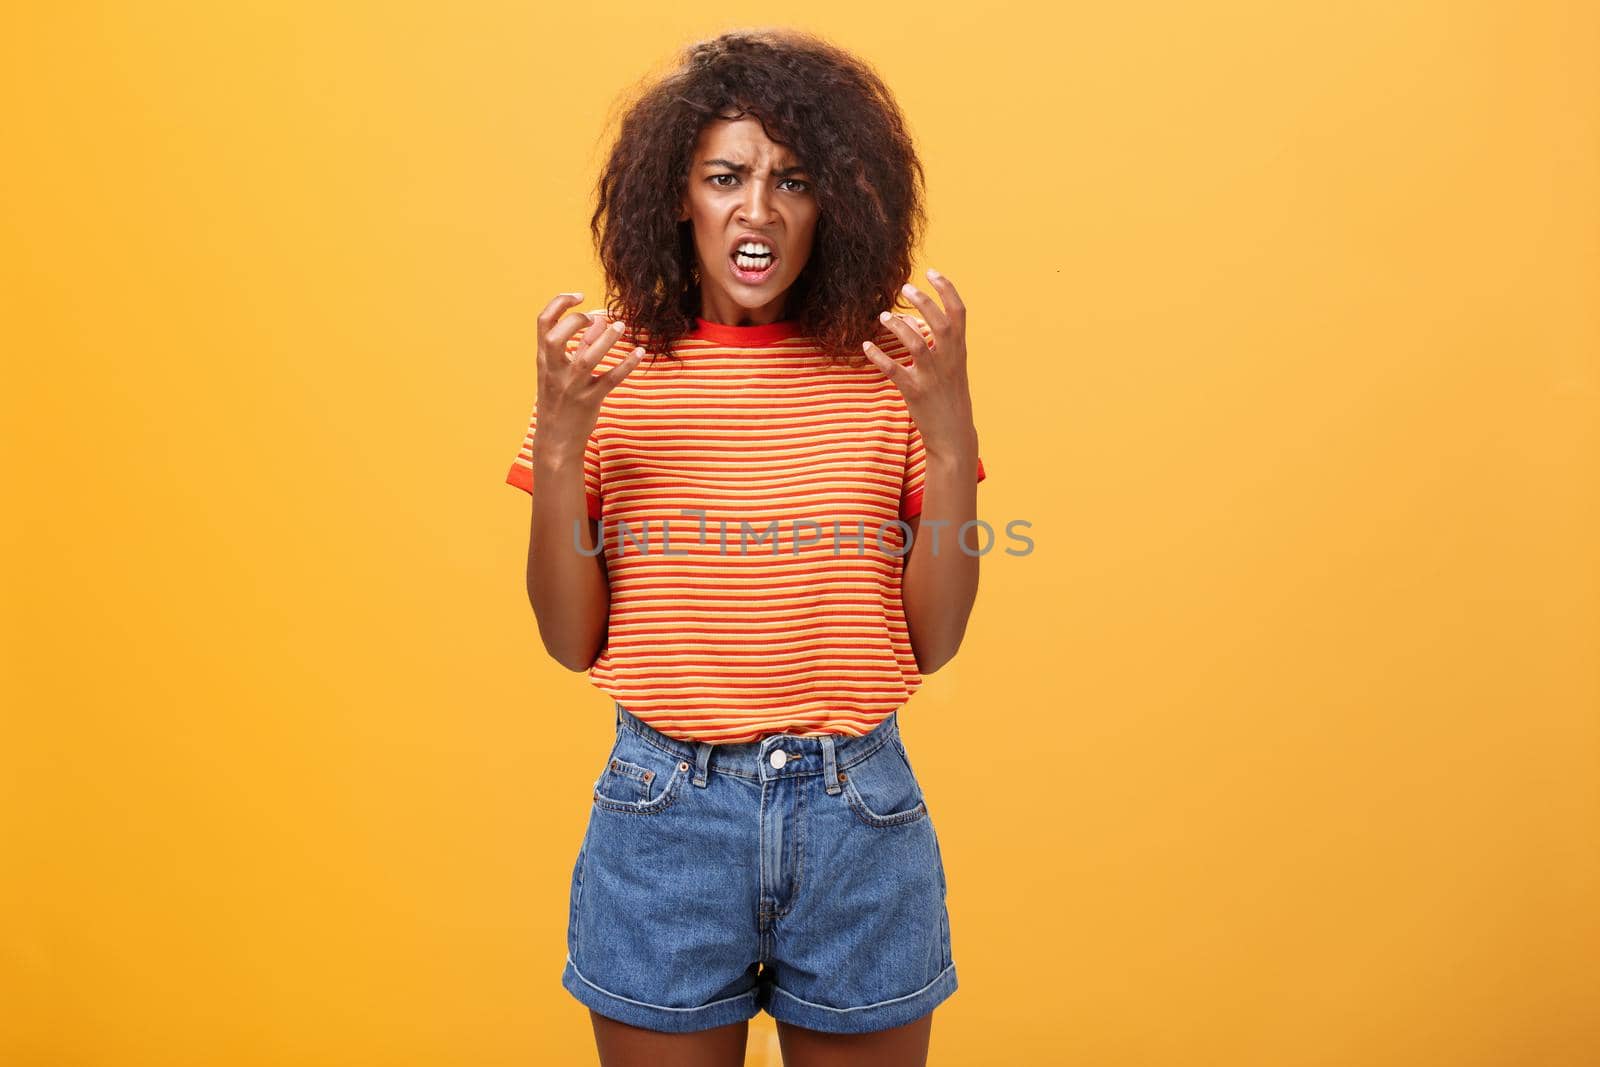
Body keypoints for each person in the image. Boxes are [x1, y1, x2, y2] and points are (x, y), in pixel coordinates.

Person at [505, 28, 988, 1067]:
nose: (757, 210)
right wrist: (559, 439)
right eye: (725, 176)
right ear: (678, 196)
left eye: (793, 180)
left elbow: (937, 638)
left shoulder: (886, 376)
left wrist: (947, 426)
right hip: (663, 817)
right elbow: (566, 638)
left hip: (857, 816)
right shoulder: (610, 374)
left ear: (834, 205)